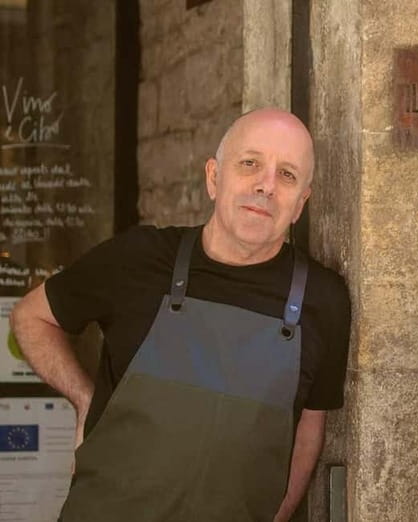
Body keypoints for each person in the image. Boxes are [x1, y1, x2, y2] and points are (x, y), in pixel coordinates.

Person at [10, 108, 351, 522]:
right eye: (250, 164)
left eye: (287, 175)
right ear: (213, 177)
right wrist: (85, 399)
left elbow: (309, 428)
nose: (266, 186)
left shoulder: (324, 300)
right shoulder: (139, 260)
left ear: (301, 204)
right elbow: (31, 317)